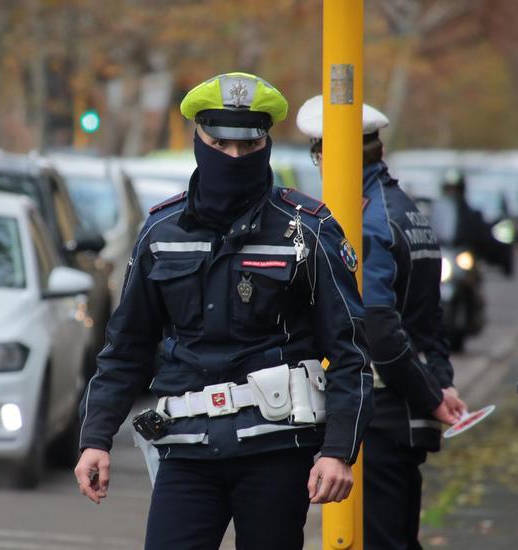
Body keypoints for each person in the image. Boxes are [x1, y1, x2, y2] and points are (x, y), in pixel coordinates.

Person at [75, 72, 373, 550]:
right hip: (186, 449)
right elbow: (125, 348)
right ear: (198, 138)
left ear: (267, 143)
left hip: (277, 450)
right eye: (220, 144)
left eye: (249, 146)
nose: (234, 157)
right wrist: (96, 438)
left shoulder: (308, 230)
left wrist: (338, 451)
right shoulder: (161, 231)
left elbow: (351, 352)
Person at [296, 95, 467, 549]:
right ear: (380, 149)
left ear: (324, 155)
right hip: (405, 415)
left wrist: (431, 396)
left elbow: (379, 329)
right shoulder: (407, 211)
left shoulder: (363, 221)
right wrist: (440, 385)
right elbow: (431, 322)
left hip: (380, 416)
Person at [440, 168, 513, 276]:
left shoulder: (472, 215)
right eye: (449, 189)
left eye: (455, 189)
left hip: (464, 256)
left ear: (462, 190)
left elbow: (483, 237)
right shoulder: (437, 214)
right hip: (445, 255)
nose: (452, 193)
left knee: (472, 276)